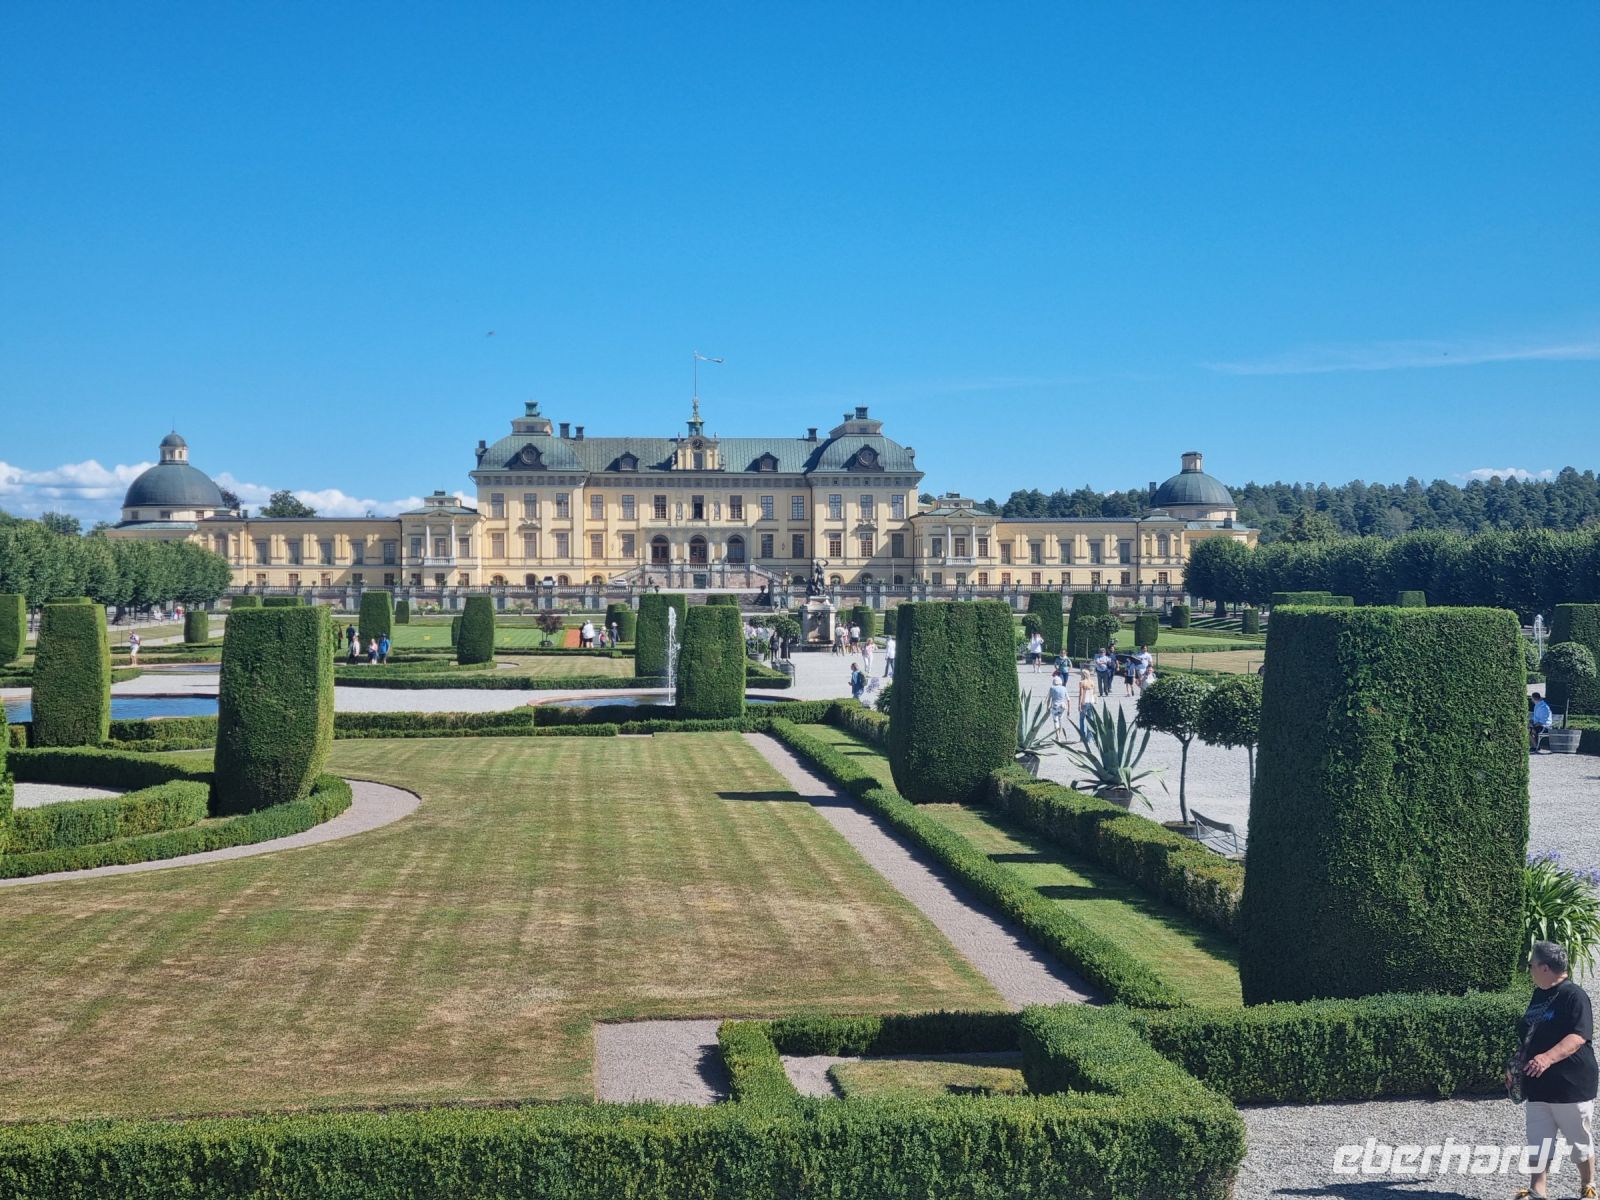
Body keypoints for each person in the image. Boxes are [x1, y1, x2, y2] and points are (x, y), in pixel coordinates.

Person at [1510, 941, 1598, 1198]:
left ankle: (1588, 1186)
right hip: (1538, 1082)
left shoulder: (1574, 995)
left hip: (1570, 1082)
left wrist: (1546, 1058)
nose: (1529, 970)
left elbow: (1579, 1036)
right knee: (1539, 1140)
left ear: (1545, 967)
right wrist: (1515, 1064)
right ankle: (1537, 1189)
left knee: (1578, 1140)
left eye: (1531, 965)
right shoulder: (1540, 993)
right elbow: (1529, 1034)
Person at [1047, 671, 1070, 738]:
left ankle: (1058, 736)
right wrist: (1069, 710)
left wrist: (1047, 708)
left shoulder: (1052, 688)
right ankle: (1058, 735)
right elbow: (1068, 700)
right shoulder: (1064, 688)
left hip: (1055, 706)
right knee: (1060, 721)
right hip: (1062, 706)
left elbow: (1049, 699)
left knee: (1055, 721)